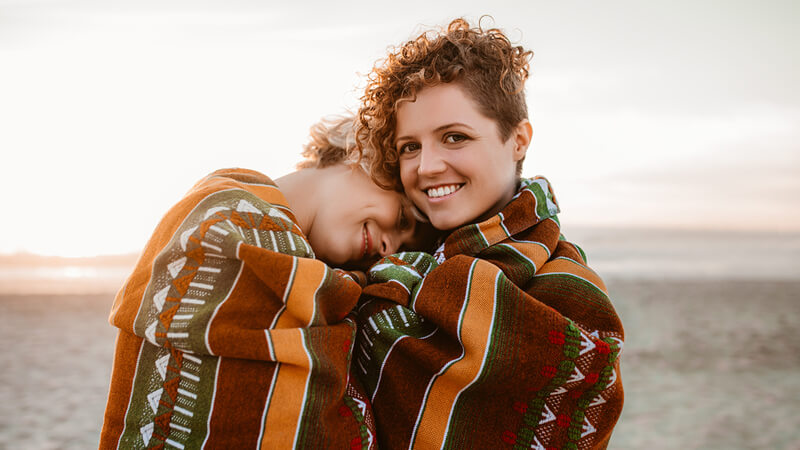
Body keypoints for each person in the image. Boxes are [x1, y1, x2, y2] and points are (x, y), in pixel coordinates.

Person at [353, 18, 625, 449]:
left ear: (518, 140)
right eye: (410, 147)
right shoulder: (381, 255)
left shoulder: (565, 293)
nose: (426, 167)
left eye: (455, 137)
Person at [99, 115, 420, 449]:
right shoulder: (224, 217)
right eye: (401, 218)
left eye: (404, 248)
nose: (390, 248)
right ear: (362, 154)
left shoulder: (318, 279)